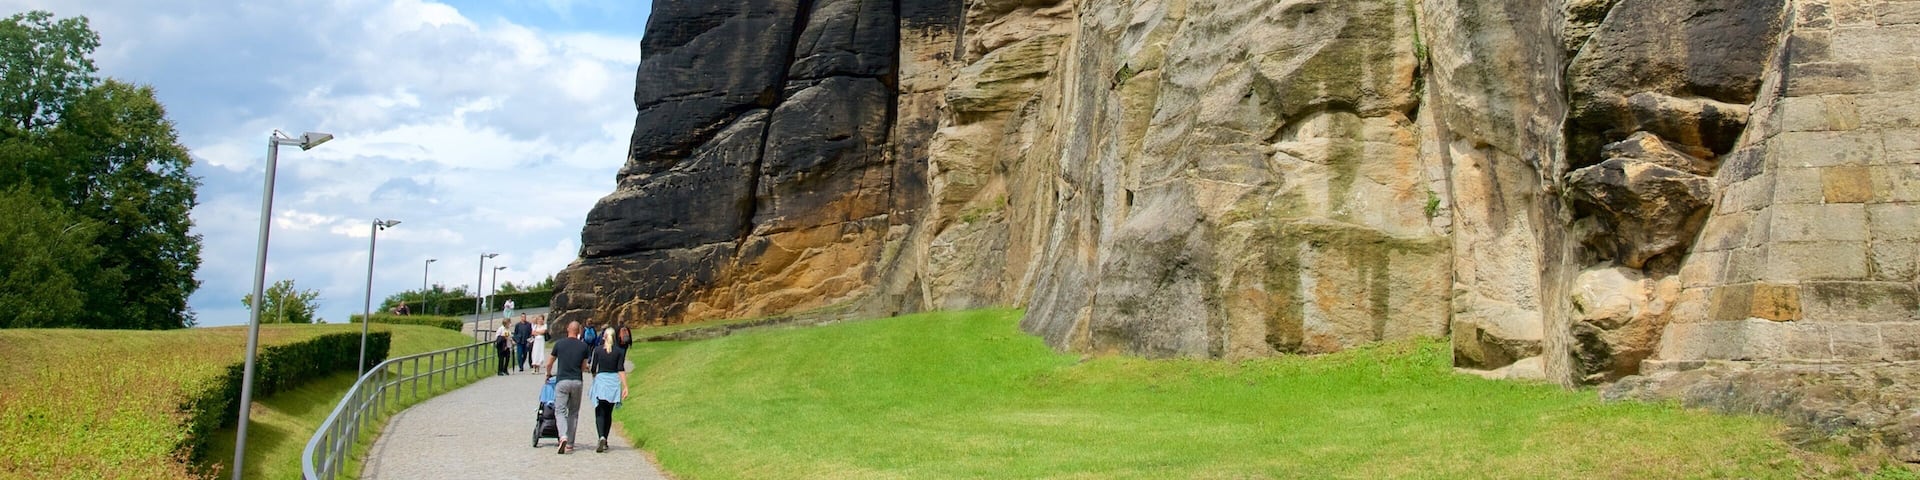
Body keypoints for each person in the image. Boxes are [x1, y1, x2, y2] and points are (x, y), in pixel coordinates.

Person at [544, 321, 592, 454]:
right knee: (573, 412)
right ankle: (570, 443)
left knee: (559, 410)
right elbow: (583, 367)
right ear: (579, 331)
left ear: (567, 329)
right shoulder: (583, 346)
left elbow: (549, 363)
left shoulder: (559, 344)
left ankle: (563, 436)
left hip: (562, 381)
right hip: (577, 381)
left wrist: (548, 374)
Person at [589, 325, 632, 453]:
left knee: (599, 411)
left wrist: (594, 378)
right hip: (613, 382)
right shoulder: (619, 351)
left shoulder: (597, 350)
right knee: (608, 413)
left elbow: (593, 368)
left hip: (602, 381)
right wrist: (625, 386)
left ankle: (601, 436)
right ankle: (605, 439)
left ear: (604, 337)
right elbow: (620, 368)